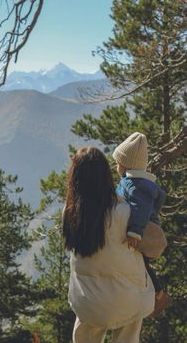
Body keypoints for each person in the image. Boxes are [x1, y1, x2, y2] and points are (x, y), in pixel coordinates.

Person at [63, 146, 155, 343]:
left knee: (86, 329)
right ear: (105, 175)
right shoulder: (125, 211)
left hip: (88, 301)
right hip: (127, 299)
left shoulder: (70, 212)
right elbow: (155, 245)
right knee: (128, 331)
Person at [112, 132, 170, 316]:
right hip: (140, 227)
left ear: (126, 164)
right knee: (140, 264)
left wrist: (135, 231)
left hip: (141, 230)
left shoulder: (134, 185)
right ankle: (154, 295)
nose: (116, 165)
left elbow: (140, 207)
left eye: (118, 162)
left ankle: (158, 295)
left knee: (141, 265)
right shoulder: (133, 182)